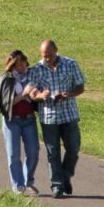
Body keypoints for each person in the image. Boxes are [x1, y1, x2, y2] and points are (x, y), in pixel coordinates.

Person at [29, 39, 86, 198]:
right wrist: (41, 95)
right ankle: (57, 185)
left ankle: (65, 175)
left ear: (56, 51)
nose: (47, 58)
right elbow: (32, 94)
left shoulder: (70, 64)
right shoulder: (37, 69)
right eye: (44, 55)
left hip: (69, 114)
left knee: (73, 149)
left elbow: (81, 86)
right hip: (49, 117)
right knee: (53, 152)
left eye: (50, 55)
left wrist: (69, 94)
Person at [0, 49, 40, 196]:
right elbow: (6, 104)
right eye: (18, 65)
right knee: (14, 154)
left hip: (29, 119)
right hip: (12, 121)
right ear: (11, 66)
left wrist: (36, 95)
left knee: (33, 152)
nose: (22, 67)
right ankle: (18, 185)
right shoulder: (7, 79)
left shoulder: (32, 75)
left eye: (23, 63)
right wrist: (24, 94)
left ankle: (28, 181)